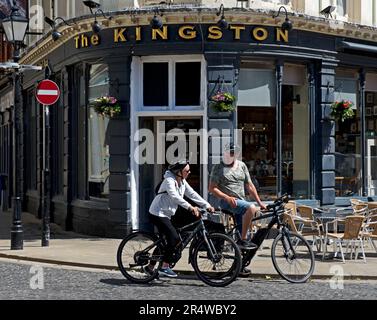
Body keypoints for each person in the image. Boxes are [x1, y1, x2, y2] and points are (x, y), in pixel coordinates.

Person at [146, 160, 215, 278]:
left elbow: (192, 194)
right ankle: (164, 266)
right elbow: (175, 197)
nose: (189, 172)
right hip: (157, 213)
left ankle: (149, 268)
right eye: (187, 170)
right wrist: (190, 207)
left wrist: (207, 205)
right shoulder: (169, 181)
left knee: (164, 242)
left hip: (167, 214)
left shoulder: (182, 182)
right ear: (179, 172)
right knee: (174, 238)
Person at [209, 143, 267, 252]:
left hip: (241, 202)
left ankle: (240, 263)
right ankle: (243, 239)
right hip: (226, 202)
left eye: (234, 153)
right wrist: (227, 197)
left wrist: (260, 202)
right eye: (230, 152)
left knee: (242, 229)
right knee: (251, 208)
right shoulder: (218, 167)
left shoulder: (242, 165)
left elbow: (249, 185)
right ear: (225, 153)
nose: (232, 155)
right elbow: (212, 188)